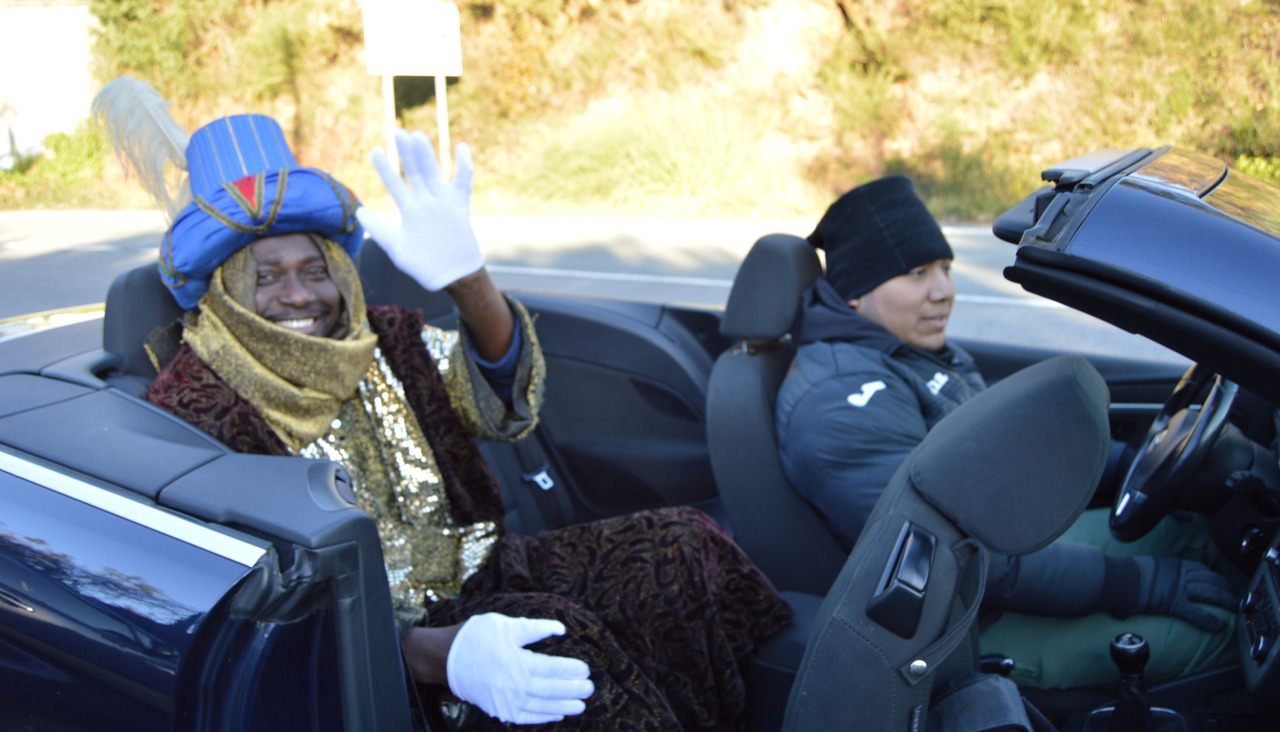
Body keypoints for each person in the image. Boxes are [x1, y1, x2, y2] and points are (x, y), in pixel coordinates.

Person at [96, 79, 791, 730]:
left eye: (315, 271)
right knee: (557, 642)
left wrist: (470, 280)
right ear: (221, 288)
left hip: (480, 566)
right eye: (265, 277)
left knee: (683, 542)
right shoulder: (193, 404)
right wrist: (428, 654)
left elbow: (499, 402)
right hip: (370, 638)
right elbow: (255, 611)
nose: (300, 297)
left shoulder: (386, 336)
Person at [775, 175, 1239, 690]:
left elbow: (1007, 456)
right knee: (1226, 637)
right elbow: (956, 558)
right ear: (856, 293)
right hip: (962, 625)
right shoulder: (841, 400)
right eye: (916, 273)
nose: (943, 290)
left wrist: (1130, 463)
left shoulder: (909, 351)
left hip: (1002, 553)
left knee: (1189, 532)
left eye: (945, 268)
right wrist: (1137, 584)